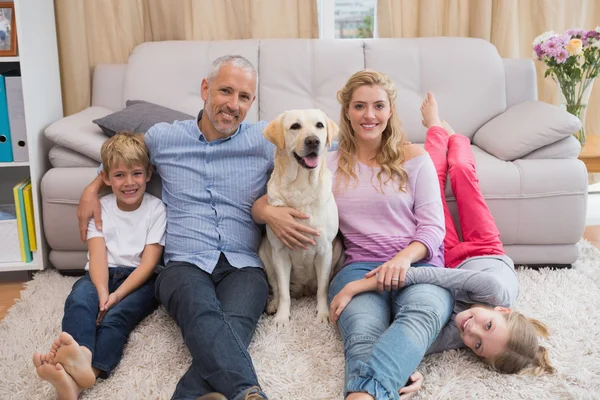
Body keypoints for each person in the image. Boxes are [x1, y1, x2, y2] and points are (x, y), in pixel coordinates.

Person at [76, 55, 319, 400]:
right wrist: (90, 189)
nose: (233, 105)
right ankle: (248, 392)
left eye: (244, 97)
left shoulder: (266, 140)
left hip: (244, 264)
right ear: (205, 89)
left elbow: (332, 149)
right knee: (201, 311)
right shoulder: (163, 138)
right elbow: (122, 162)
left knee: (234, 322)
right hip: (183, 264)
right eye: (225, 91)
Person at [330, 93, 554, 393]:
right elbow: (429, 275)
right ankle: (445, 132)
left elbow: (415, 336)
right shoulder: (495, 291)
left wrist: (407, 368)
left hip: (446, 255)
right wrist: (358, 285)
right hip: (483, 250)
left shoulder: (463, 332)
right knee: (458, 172)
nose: (471, 330)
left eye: (476, 345)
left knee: (431, 186)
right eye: (487, 326)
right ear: (501, 311)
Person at [320, 69, 453, 400]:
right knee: (363, 331)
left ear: (390, 111)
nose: (369, 115)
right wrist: (266, 210)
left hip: (420, 267)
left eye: (378, 106)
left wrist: (403, 259)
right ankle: (389, 378)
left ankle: (362, 396)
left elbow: (434, 227)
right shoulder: (328, 163)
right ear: (347, 112)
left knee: (421, 315)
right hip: (359, 267)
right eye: (359, 106)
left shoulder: (415, 158)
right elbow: (283, 188)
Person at [33, 131, 167, 399]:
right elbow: (97, 257)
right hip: (100, 274)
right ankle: (81, 354)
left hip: (141, 280)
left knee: (116, 318)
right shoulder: (100, 207)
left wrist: (116, 296)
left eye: (136, 174)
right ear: (105, 177)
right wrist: (102, 292)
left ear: (148, 174)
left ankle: (87, 374)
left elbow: (148, 264)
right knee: (80, 301)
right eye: (119, 175)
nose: (129, 183)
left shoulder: (156, 209)